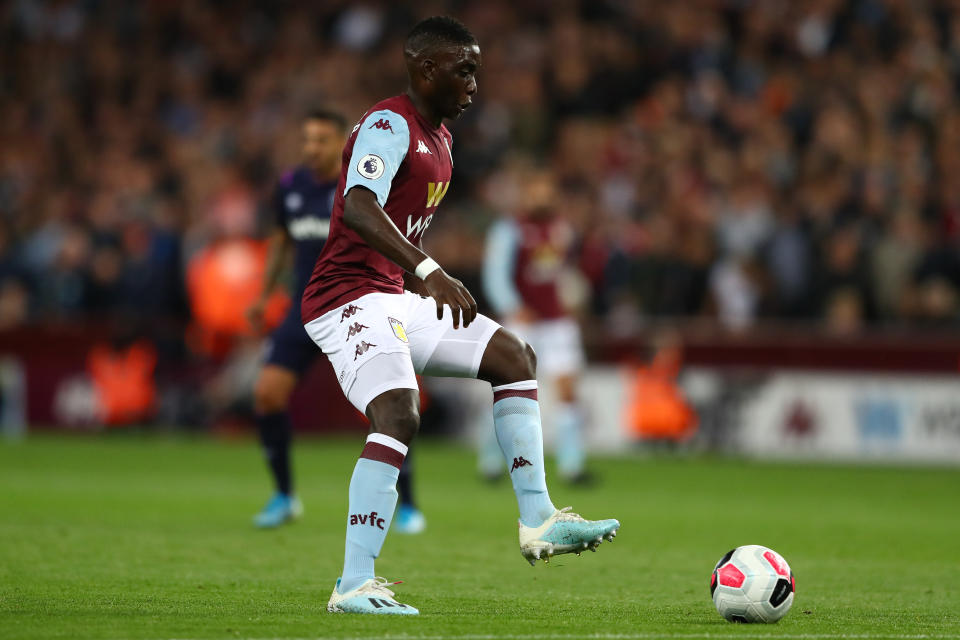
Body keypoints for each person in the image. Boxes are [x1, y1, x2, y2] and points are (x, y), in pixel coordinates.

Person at [300, 16, 620, 616]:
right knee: (398, 413)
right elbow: (360, 207)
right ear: (426, 69)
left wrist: (414, 277)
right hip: (344, 297)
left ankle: (539, 519)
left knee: (514, 358)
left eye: (477, 67)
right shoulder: (390, 123)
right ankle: (353, 584)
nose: (475, 80)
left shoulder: (443, 138)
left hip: (391, 295)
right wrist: (429, 270)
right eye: (463, 68)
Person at [247, 110, 426, 532]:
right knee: (268, 394)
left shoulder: (362, 184)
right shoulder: (291, 185)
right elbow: (280, 241)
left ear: (344, 142)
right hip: (303, 306)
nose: (312, 148)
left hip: (354, 304)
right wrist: (263, 295)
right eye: (307, 139)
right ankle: (284, 496)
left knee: (387, 404)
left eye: (322, 140)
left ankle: (409, 504)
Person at [480, 168, 590, 483]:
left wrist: (572, 301)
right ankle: (490, 461)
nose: (541, 197)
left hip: (557, 321)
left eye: (546, 190)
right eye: (535, 191)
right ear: (526, 195)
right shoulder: (509, 229)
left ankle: (572, 466)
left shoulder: (562, 229)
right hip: (522, 321)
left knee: (568, 391)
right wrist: (513, 307)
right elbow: (495, 274)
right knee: (508, 390)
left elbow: (563, 273)